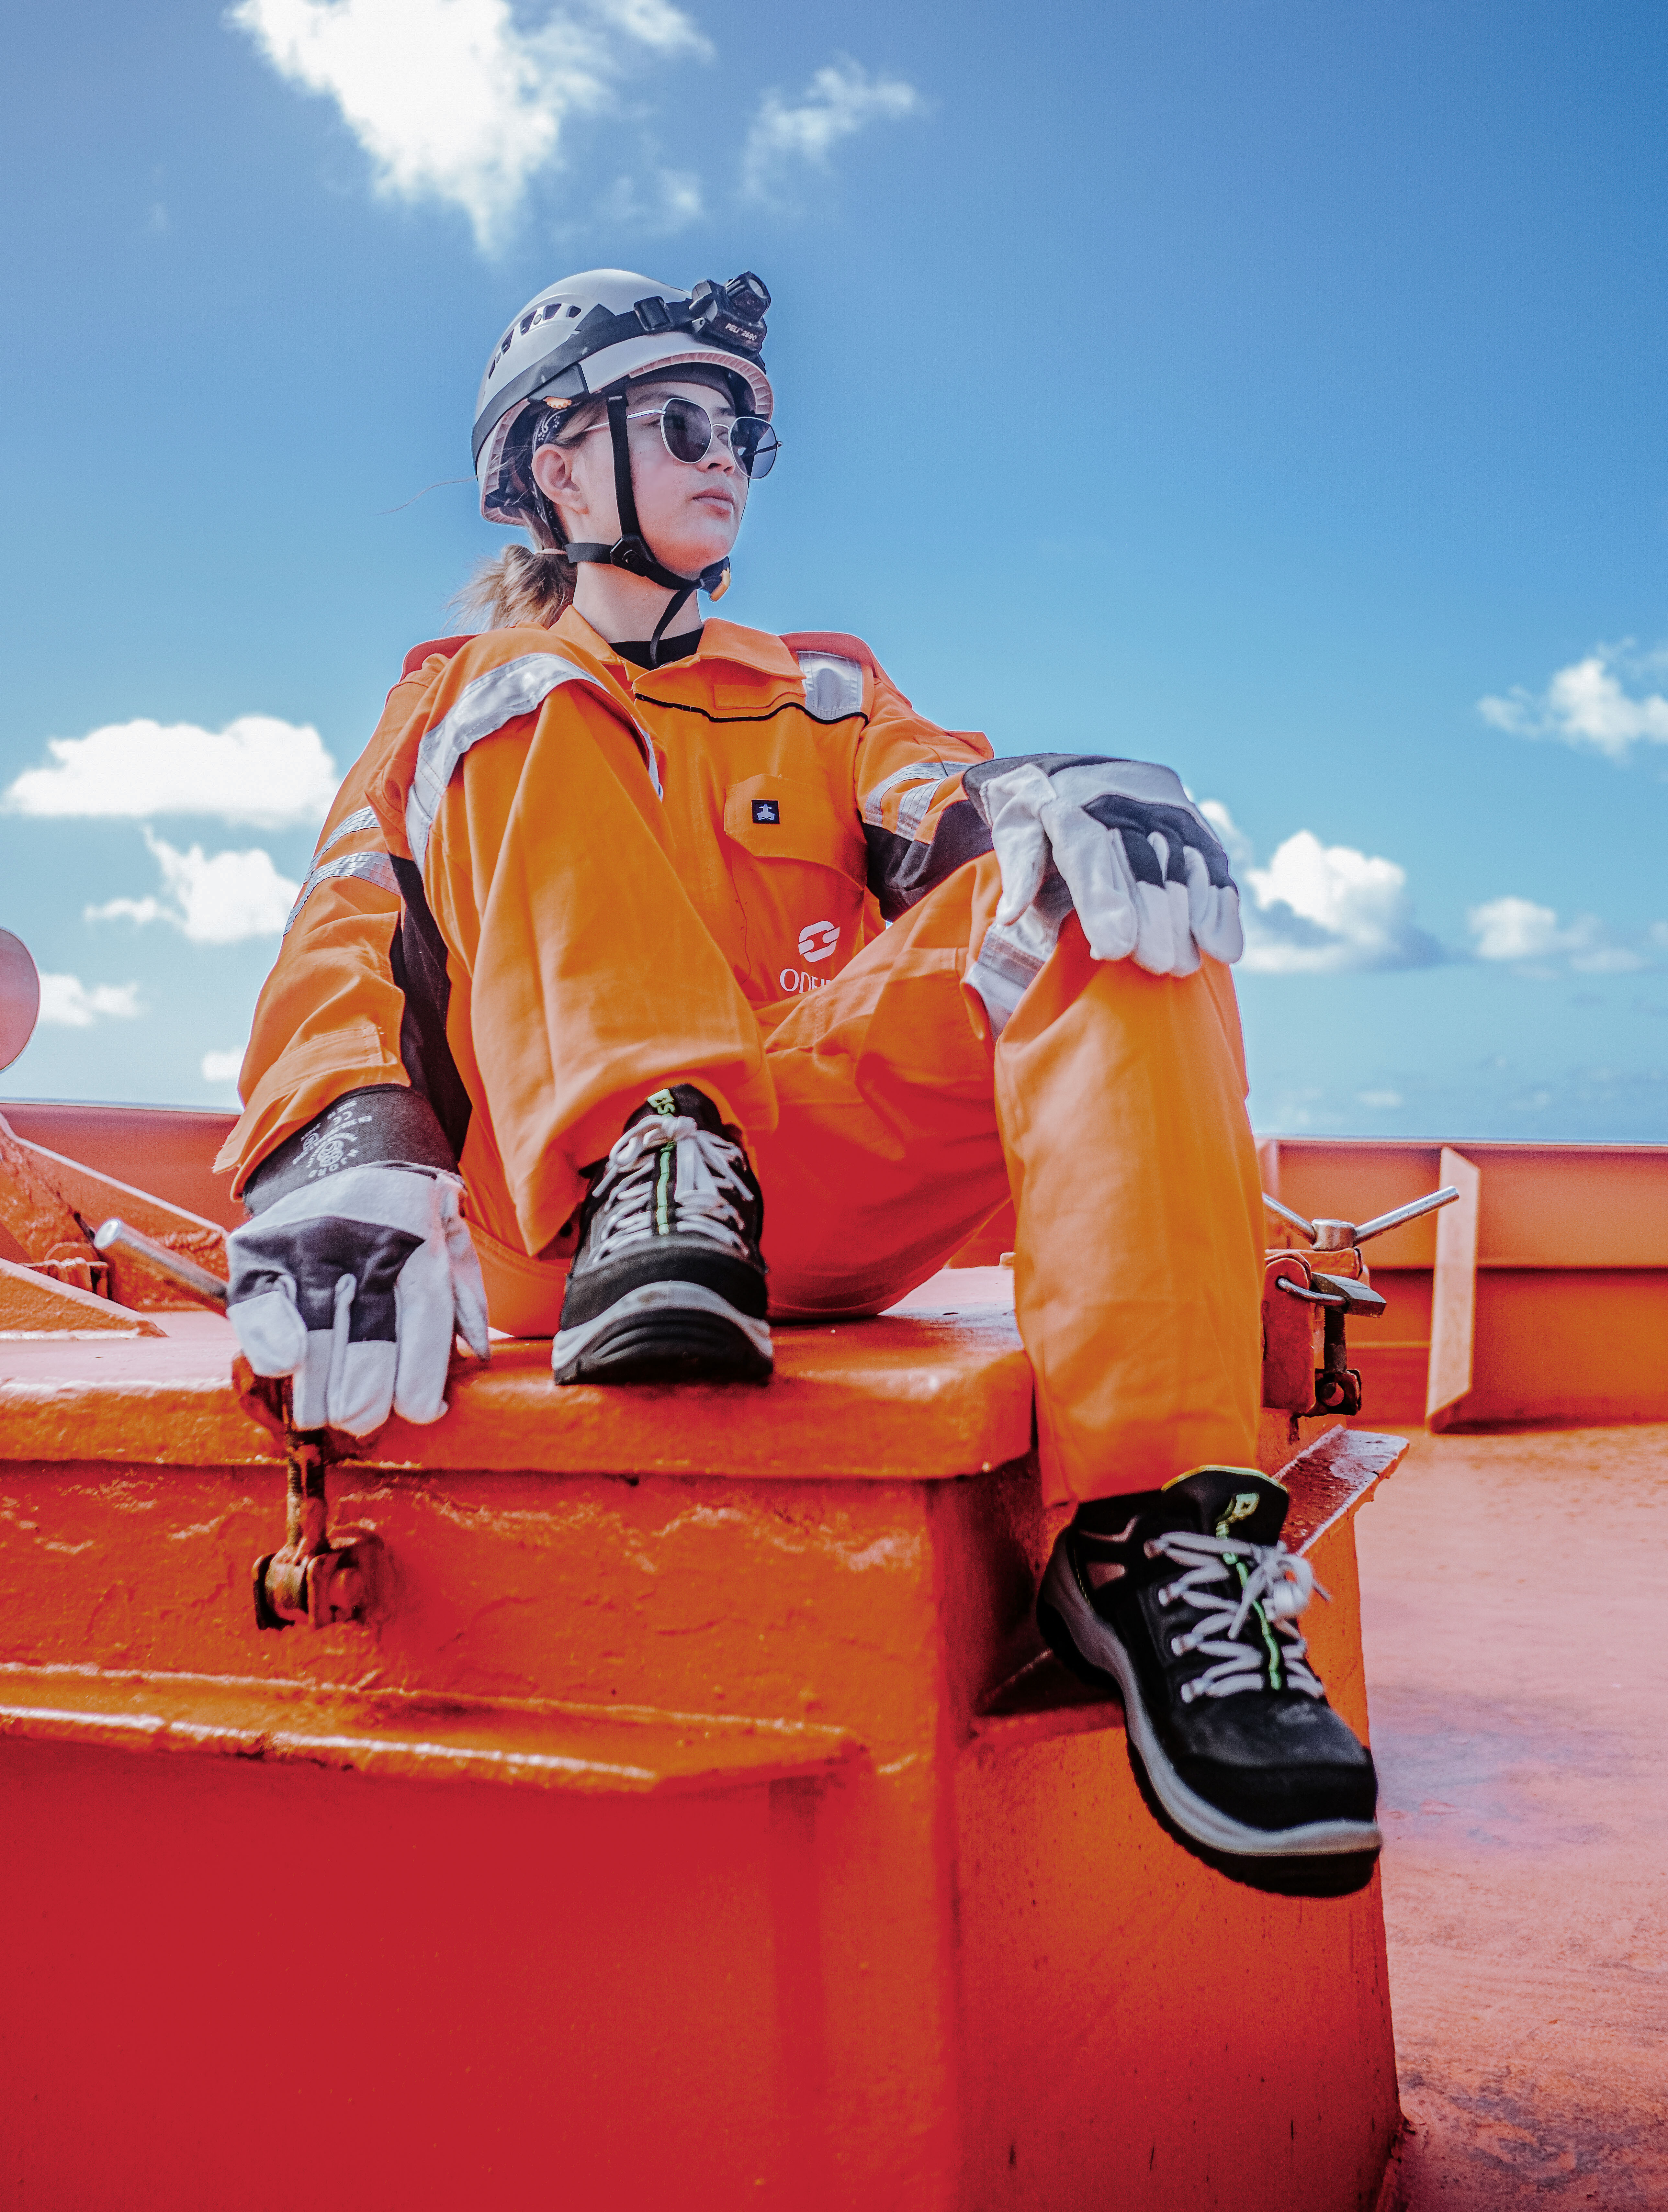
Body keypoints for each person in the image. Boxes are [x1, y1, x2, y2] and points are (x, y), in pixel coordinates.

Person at [220, 266, 1379, 1896]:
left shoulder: (825, 693)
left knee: (1096, 872)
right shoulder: (458, 705)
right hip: (569, 1231)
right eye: (683, 423)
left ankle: (1154, 1541)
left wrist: (1036, 796)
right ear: (559, 463)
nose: (728, 459)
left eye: (747, 433)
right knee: (527, 689)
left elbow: (942, 807)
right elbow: (346, 942)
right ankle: (653, 1148)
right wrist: (337, 1156)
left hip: (806, 1189)